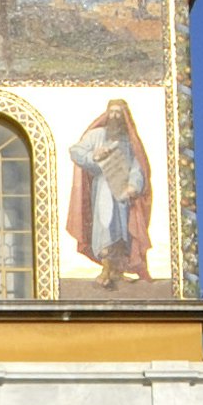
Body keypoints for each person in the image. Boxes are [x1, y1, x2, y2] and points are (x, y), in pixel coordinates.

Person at [66, 98, 154, 288]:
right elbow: (76, 151)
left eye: (118, 113)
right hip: (104, 188)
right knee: (105, 226)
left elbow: (137, 166)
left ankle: (118, 271)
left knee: (123, 231)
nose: (115, 116)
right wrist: (94, 155)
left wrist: (133, 185)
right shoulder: (97, 135)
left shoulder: (129, 142)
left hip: (122, 191)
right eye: (112, 112)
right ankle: (106, 269)